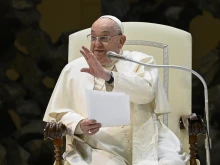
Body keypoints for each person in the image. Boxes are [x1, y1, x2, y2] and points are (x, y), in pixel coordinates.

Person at [43, 15, 189, 165]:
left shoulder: (140, 61)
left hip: (147, 136)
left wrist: (109, 77)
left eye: (104, 38)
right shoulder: (73, 69)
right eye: (93, 38)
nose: (97, 44)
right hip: (98, 145)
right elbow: (59, 114)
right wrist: (80, 124)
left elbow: (146, 94)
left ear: (121, 41)